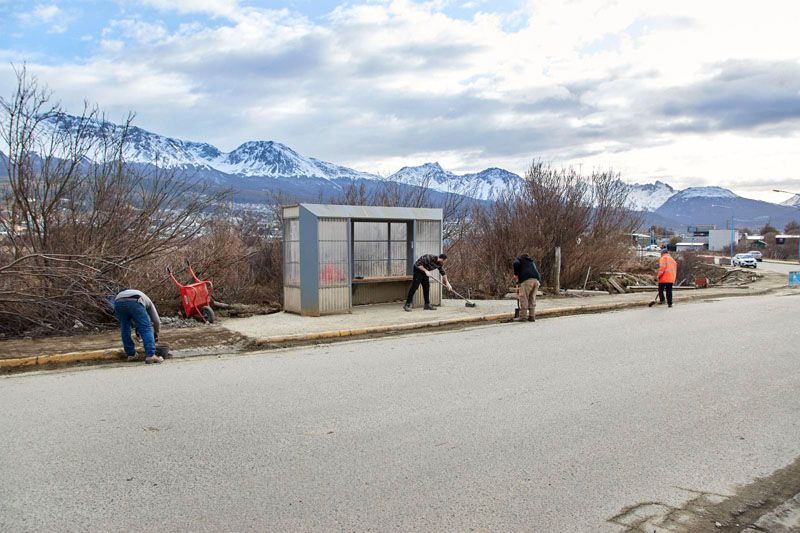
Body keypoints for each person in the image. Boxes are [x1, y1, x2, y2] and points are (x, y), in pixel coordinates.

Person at [114, 289, 163, 363]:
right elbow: (156, 321)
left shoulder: (140, 296)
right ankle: (151, 355)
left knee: (125, 328)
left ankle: (131, 355)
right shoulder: (149, 303)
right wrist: (156, 332)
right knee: (146, 328)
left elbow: (135, 320)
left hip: (118, 301)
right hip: (135, 300)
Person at [513, 253, 541, 322]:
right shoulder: (531, 261)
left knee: (523, 297)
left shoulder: (519, 259)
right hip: (536, 280)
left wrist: (516, 274)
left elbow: (515, 264)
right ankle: (532, 316)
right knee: (532, 298)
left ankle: (523, 317)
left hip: (527, 280)